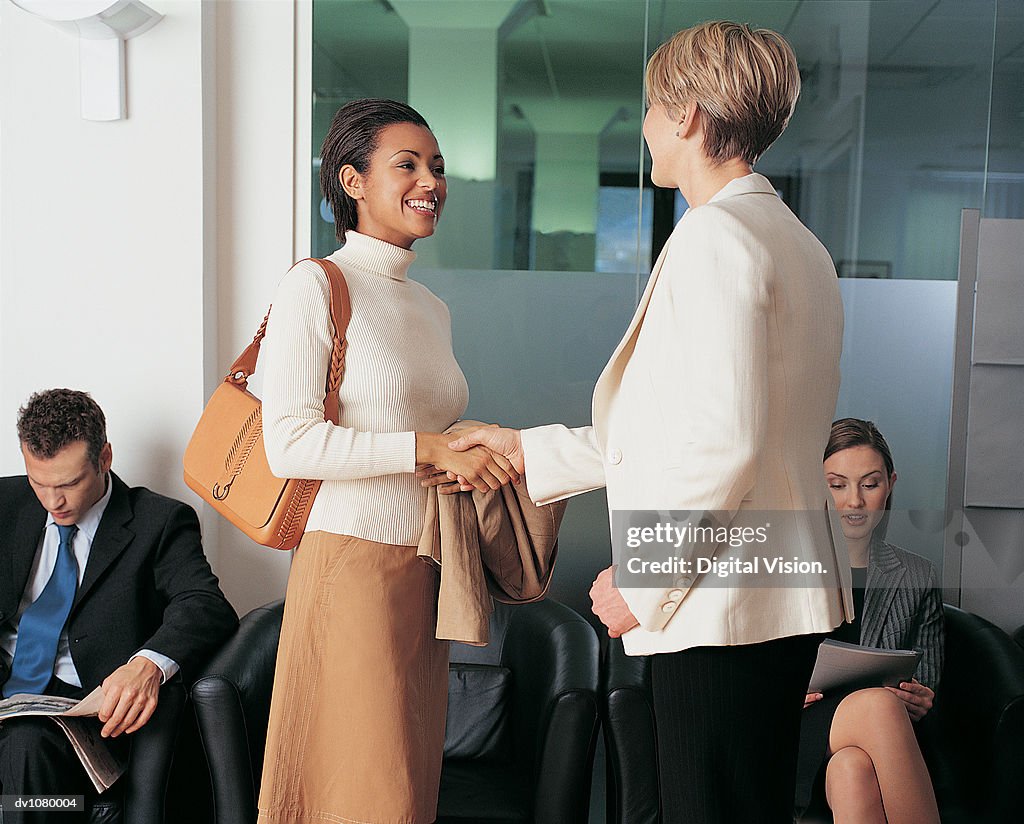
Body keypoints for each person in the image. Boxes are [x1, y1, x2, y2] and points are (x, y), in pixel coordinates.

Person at [443, 21, 851, 823]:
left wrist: (645, 577)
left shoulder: (717, 237)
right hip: (769, 588)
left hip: (720, 602)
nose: (646, 130)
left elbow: (724, 446)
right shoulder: (796, 241)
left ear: (690, 116)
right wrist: (528, 450)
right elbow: (703, 428)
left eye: (652, 110)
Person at [256, 98, 517, 824]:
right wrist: (424, 447)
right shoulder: (317, 284)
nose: (429, 180)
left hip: (427, 566)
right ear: (353, 180)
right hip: (353, 568)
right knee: (365, 793)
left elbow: (414, 424)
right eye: (406, 164)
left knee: (406, 791)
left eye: (435, 165)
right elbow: (291, 444)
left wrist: (460, 439)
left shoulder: (429, 306)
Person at [0, 388, 238, 823]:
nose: (54, 502)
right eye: (40, 483)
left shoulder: (159, 521)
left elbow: (205, 603)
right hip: (7, 692)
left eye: (69, 483)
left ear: (104, 458)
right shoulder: (5, 504)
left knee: (24, 749)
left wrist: (146, 665)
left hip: (89, 717)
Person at [796, 418, 942, 823]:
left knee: (852, 770)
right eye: (837, 484)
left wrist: (920, 696)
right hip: (794, 725)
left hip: (878, 738)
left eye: (870, 484)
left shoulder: (917, 575)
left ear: (890, 484)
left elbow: (926, 678)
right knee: (879, 706)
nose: (854, 502)